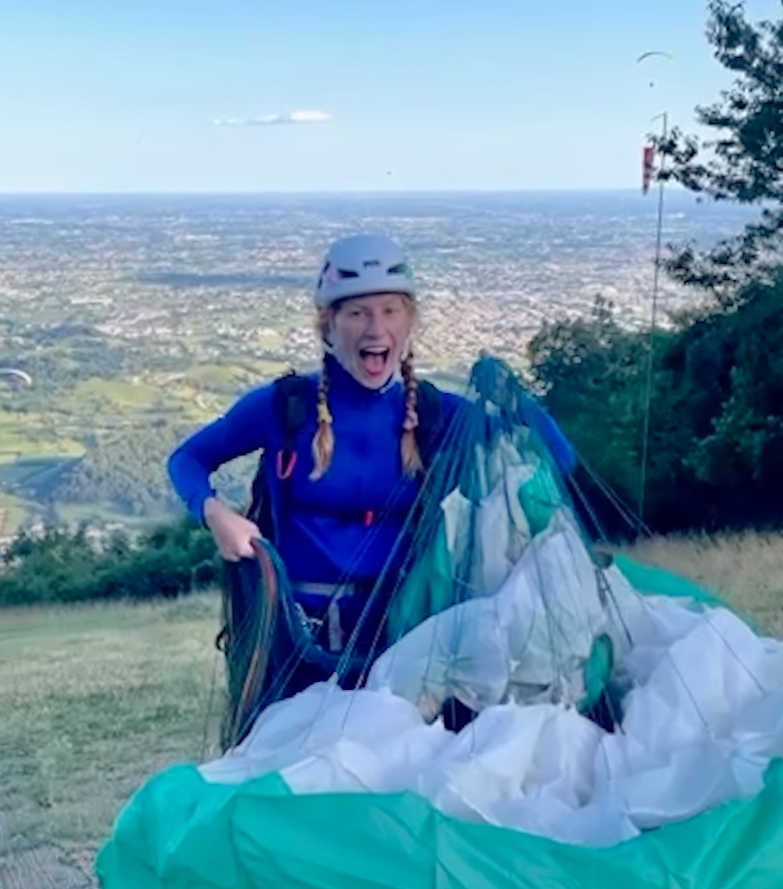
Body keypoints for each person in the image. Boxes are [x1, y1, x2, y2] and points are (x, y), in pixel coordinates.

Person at [168, 233, 576, 697]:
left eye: (389, 311)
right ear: (328, 325)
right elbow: (188, 459)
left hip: (405, 643)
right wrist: (216, 514)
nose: (375, 329)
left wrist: (518, 403)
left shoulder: (437, 416)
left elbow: (560, 462)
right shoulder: (284, 408)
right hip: (294, 643)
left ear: (409, 322)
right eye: (357, 313)